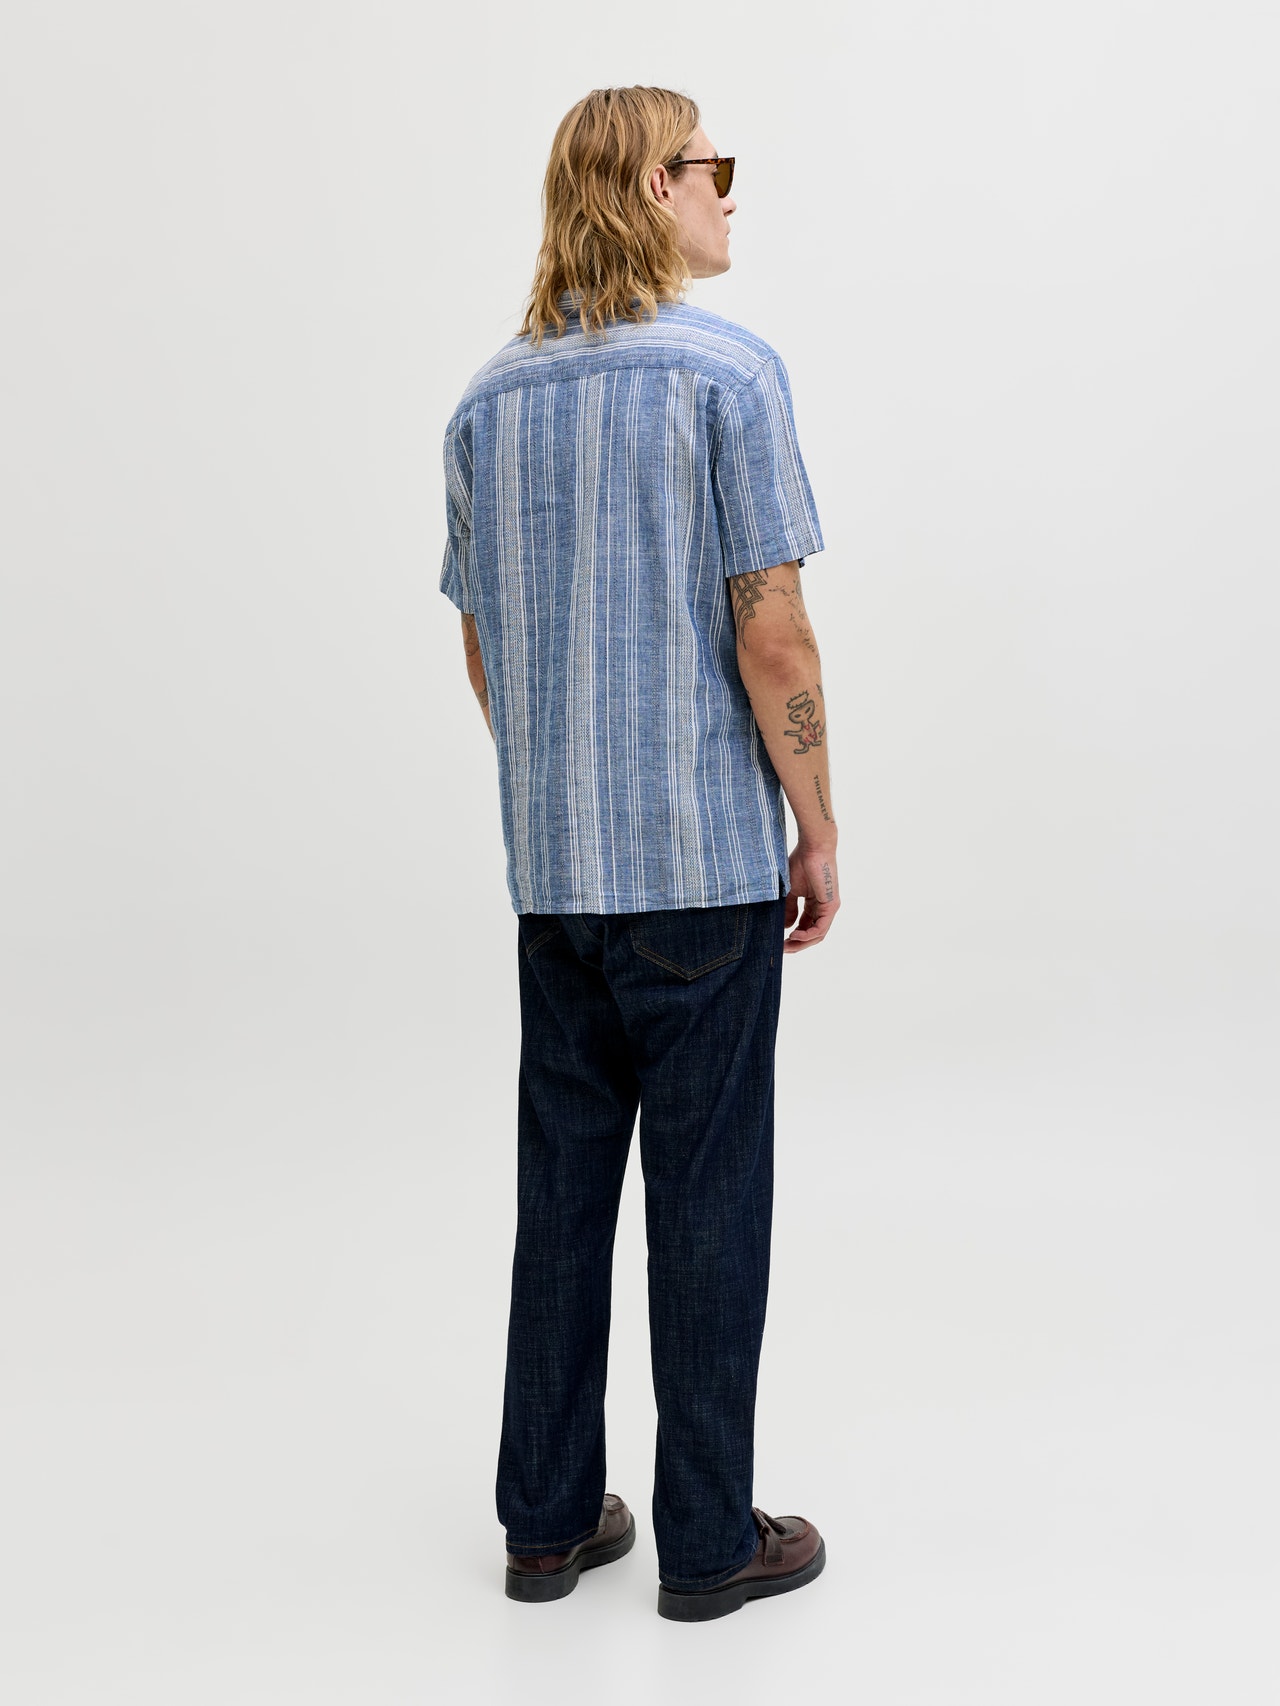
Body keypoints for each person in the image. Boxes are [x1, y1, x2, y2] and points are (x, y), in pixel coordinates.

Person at [439, 84, 840, 1622]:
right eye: (711, 165)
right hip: (701, 866)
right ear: (650, 187)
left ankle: (545, 1524)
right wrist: (816, 820)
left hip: (559, 877)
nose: (730, 191)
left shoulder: (486, 403)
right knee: (708, 1194)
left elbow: (485, 644)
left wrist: (558, 785)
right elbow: (772, 629)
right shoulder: (729, 374)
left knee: (563, 1190)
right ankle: (709, 1538)